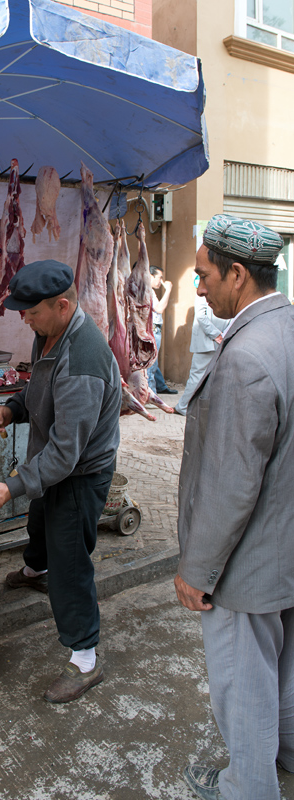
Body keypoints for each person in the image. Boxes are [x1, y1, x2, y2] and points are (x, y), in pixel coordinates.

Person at [174, 214, 294, 800]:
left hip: (245, 566)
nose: (198, 288)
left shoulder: (246, 356)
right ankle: (287, 757)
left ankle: (247, 788)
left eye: (203, 276)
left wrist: (197, 571)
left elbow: (230, 485)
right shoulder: (288, 327)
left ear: (238, 275)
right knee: (286, 675)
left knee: (242, 687)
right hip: (286, 551)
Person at [0, 260, 122, 704]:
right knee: (40, 523)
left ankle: (85, 658)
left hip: (80, 473)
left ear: (63, 305)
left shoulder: (84, 359)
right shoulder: (48, 332)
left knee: (70, 561)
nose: (25, 319)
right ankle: (35, 570)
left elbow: (65, 452)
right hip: (55, 462)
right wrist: (12, 409)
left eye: (32, 312)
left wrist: (12, 485)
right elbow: (38, 386)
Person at [174, 286, 229, 416]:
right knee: (197, 376)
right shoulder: (202, 291)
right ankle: (183, 406)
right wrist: (216, 334)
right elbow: (201, 316)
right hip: (208, 341)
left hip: (221, 339)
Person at [147, 265, 177, 395]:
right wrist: (168, 290)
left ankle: (159, 386)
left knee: (154, 363)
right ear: (150, 276)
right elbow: (159, 309)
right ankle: (150, 394)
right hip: (153, 329)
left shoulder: (150, 291)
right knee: (151, 365)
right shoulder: (147, 290)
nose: (161, 281)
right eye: (159, 277)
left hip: (155, 329)